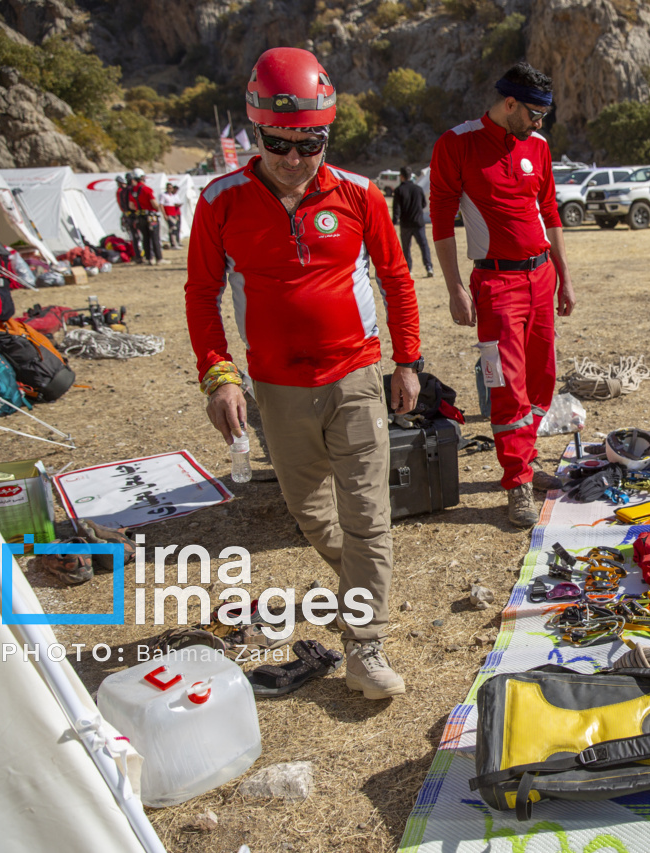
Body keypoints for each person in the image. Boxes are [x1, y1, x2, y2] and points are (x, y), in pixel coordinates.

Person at [185, 47, 421, 700]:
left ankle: (364, 647)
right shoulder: (220, 201)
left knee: (368, 514)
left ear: (327, 133)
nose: (293, 158)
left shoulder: (359, 194)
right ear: (255, 132)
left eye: (308, 144)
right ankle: (362, 591)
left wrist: (408, 359)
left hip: (355, 377)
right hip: (278, 389)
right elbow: (201, 293)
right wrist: (220, 375)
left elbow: (397, 278)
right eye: (277, 143)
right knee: (313, 514)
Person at [430, 61, 575, 528]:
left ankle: (527, 462)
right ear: (509, 103)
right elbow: (441, 220)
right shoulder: (457, 143)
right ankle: (516, 484)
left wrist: (564, 276)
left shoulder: (539, 145)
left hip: (541, 277)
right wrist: (455, 287)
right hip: (495, 284)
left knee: (541, 379)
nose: (539, 124)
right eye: (534, 113)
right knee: (507, 385)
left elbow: (550, 211)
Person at [392, 167, 433, 278]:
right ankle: (429, 267)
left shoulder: (398, 190)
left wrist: (393, 223)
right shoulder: (418, 189)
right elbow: (424, 204)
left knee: (406, 248)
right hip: (418, 223)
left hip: (405, 224)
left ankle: (408, 269)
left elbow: (396, 210)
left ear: (401, 176)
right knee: (424, 246)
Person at [127, 168, 162, 265]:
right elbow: (154, 204)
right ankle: (159, 258)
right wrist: (157, 208)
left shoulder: (133, 191)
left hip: (140, 217)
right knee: (154, 237)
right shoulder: (146, 189)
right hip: (151, 216)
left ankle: (149, 258)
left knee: (145, 238)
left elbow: (131, 206)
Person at [115, 174, 140, 261]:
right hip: (133, 215)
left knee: (134, 236)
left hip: (128, 215)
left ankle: (137, 254)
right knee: (136, 236)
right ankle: (137, 254)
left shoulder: (122, 191)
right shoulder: (126, 191)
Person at [161, 181, 184, 250]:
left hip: (174, 214)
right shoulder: (164, 195)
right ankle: (173, 244)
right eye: (168, 188)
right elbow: (161, 205)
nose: (170, 189)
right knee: (173, 228)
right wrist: (164, 214)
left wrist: (176, 215)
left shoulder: (172, 196)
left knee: (175, 228)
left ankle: (175, 242)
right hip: (169, 214)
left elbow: (174, 206)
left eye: (171, 188)